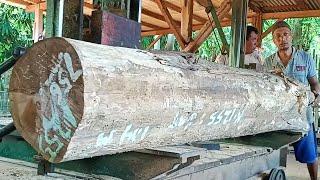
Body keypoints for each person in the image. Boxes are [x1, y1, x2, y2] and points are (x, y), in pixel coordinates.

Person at [264, 21, 320, 180]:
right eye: (278, 36)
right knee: (274, 151)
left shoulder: (305, 58)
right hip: (279, 115)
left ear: (291, 36)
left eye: (285, 34)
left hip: (302, 114)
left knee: (310, 154)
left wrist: (316, 95)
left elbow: (315, 83)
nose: (283, 39)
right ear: (274, 41)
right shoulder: (268, 62)